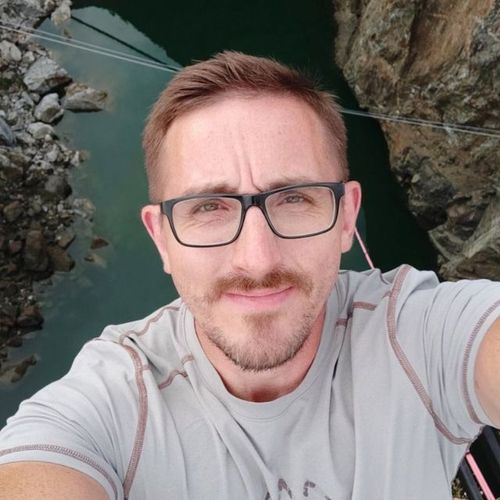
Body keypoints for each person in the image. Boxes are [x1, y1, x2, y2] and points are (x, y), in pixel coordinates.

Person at [0, 51, 499, 500]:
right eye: (208, 207)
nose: (257, 261)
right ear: (162, 238)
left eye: (295, 198)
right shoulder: (107, 408)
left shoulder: (420, 335)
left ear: (347, 217)